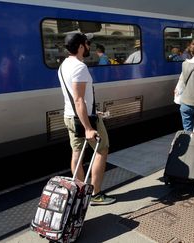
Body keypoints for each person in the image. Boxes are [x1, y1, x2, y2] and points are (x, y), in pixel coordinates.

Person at [58, 32, 116, 205]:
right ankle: (96, 194)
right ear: (81, 47)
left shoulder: (64, 65)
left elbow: (75, 99)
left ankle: (80, 191)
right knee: (102, 150)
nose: (89, 46)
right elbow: (79, 99)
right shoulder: (79, 67)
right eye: (87, 43)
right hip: (83, 119)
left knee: (77, 153)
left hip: (70, 116)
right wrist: (89, 127)